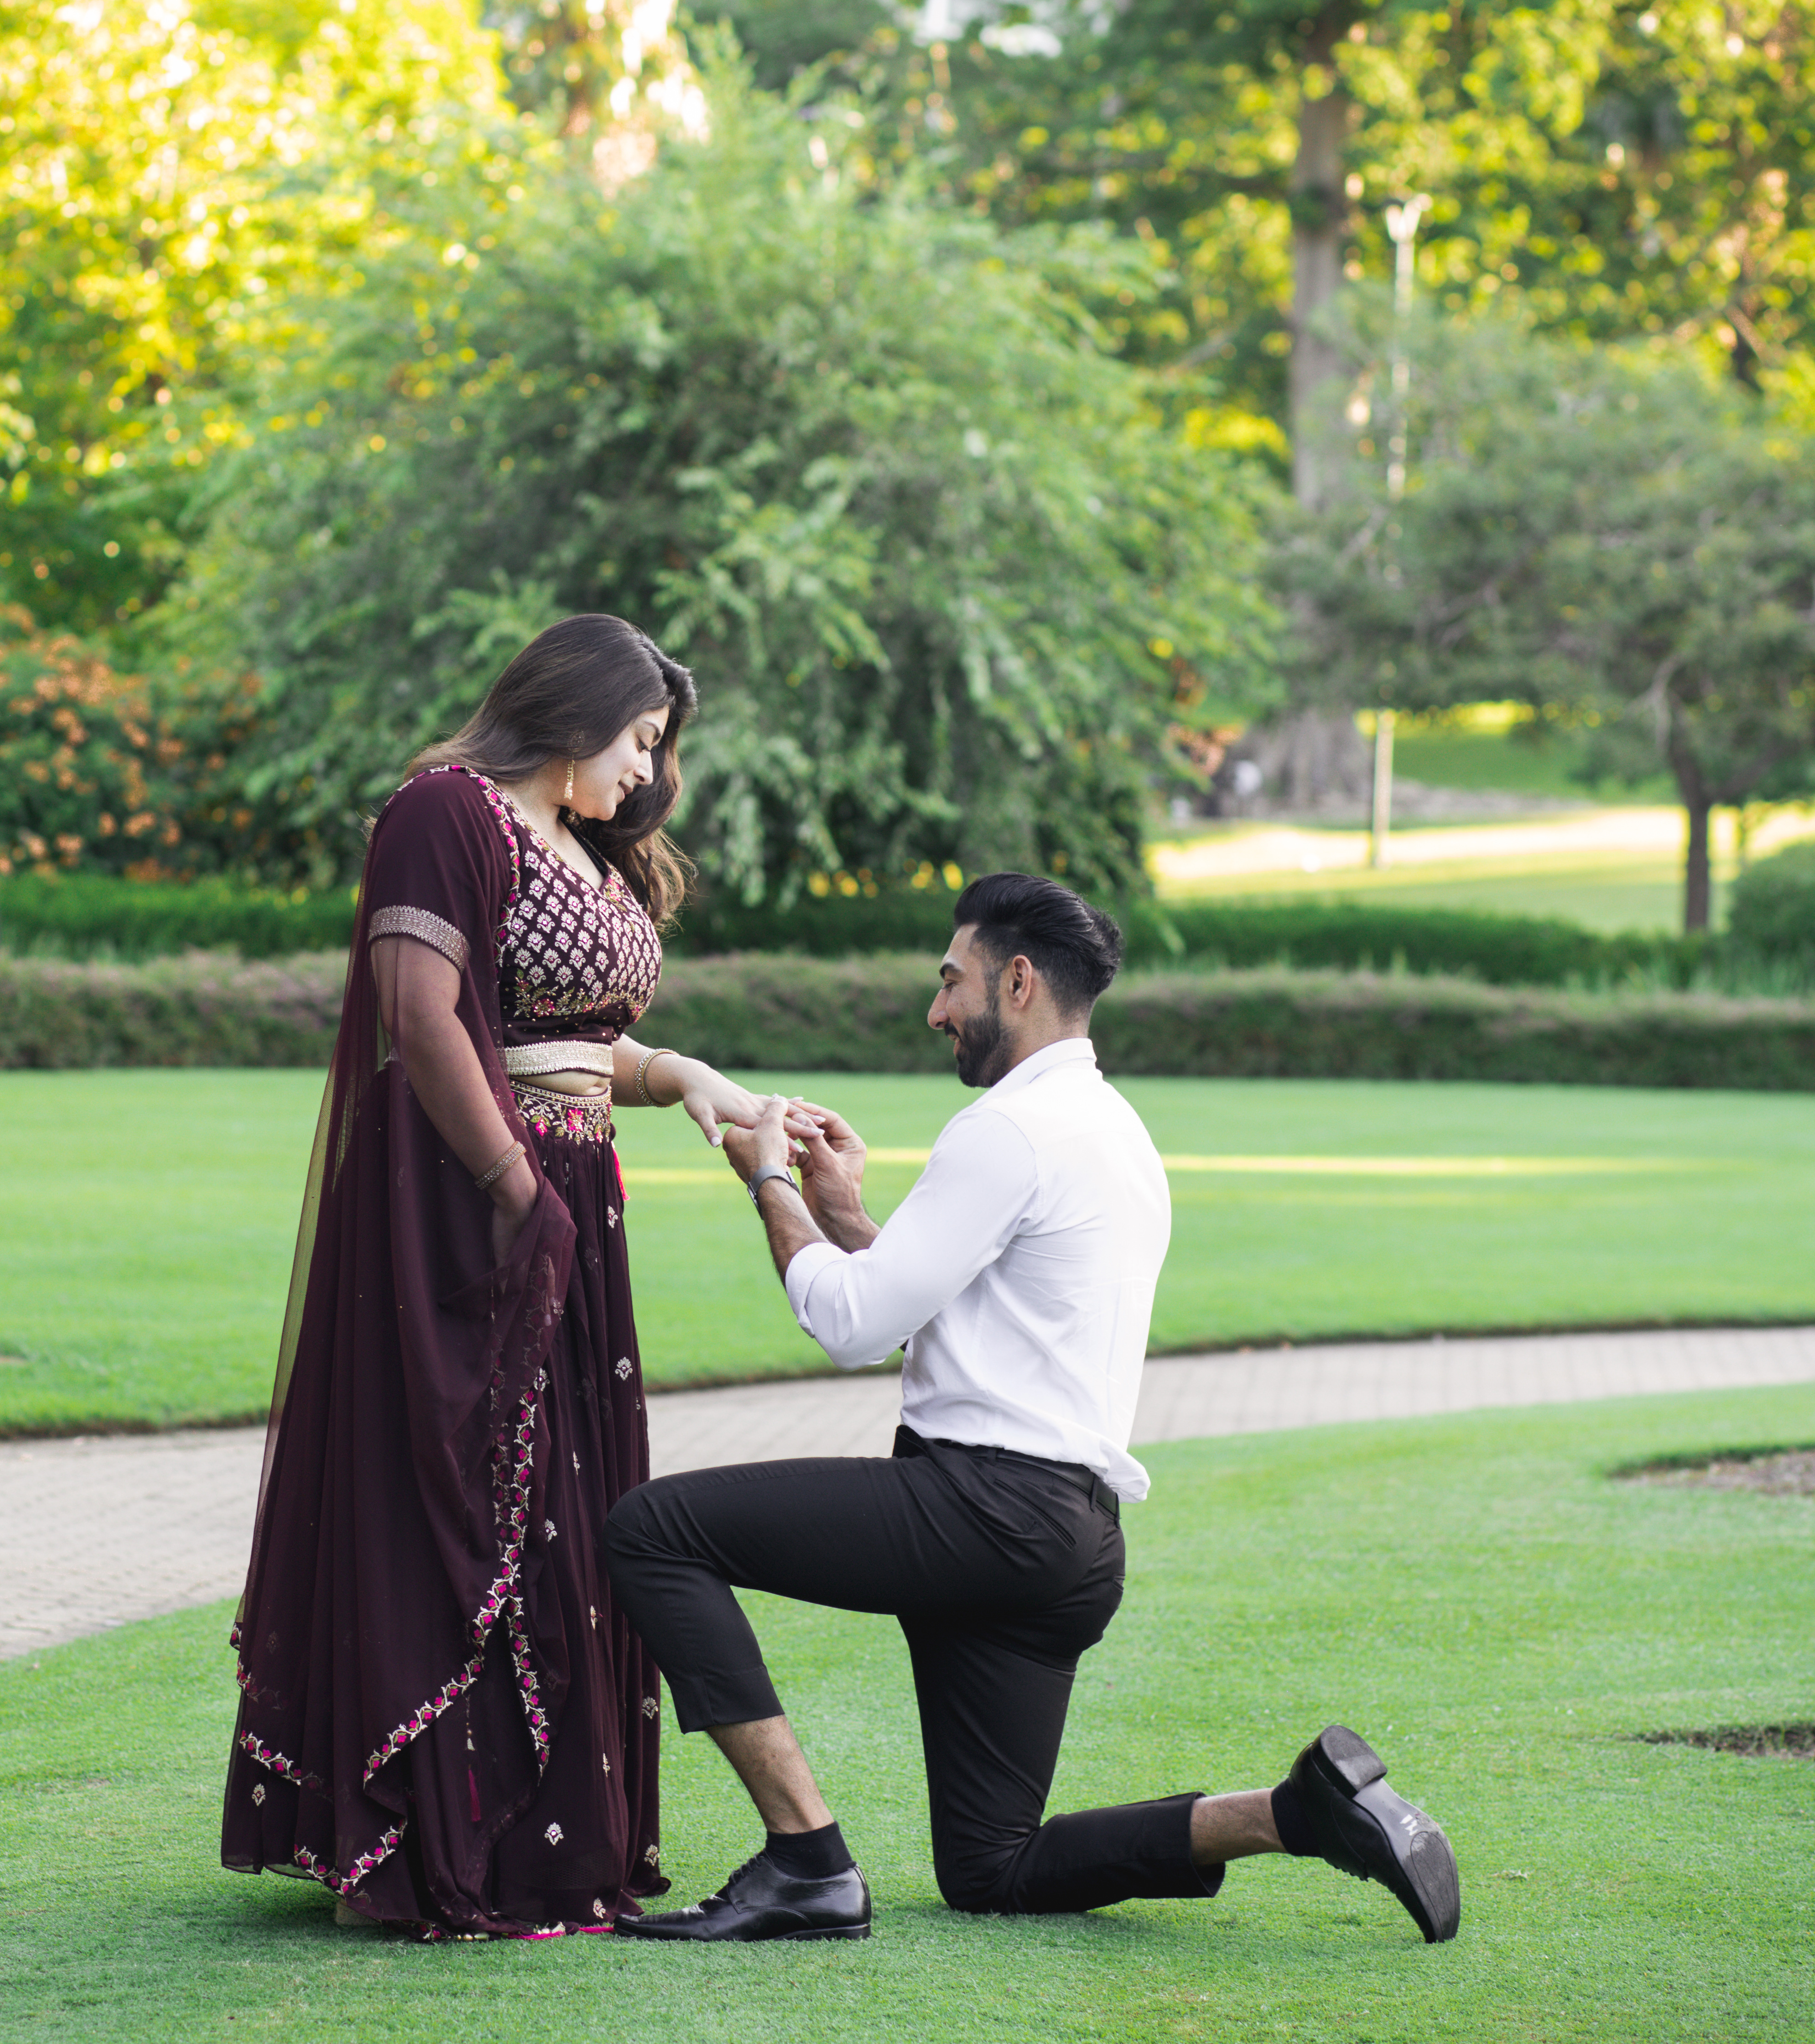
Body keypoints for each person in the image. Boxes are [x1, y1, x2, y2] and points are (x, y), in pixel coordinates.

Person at [602, 871, 1462, 1945]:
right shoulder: (1114, 1133)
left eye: (951, 980)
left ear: (1018, 979)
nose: (936, 1009)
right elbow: (965, 1326)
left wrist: (768, 1179)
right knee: (989, 1866)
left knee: (650, 1532)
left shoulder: (1005, 1131)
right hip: (1070, 1543)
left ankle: (806, 1859)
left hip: (983, 1511)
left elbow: (854, 1326)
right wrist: (846, 1213)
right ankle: (1297, 1810)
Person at [223, 615, 775, 1940]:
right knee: (469, 1500)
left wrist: (692, 1079)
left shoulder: (581, 848)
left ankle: (542, 1849)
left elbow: (579, 1047)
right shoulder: (447, 808)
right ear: (578, 708)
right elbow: (423, 1017)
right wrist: (517, 1194)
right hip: (469, 1203)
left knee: (574, 1512)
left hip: (566, 1190)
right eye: (641, 740)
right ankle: (430, 1848)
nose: (649, 775)